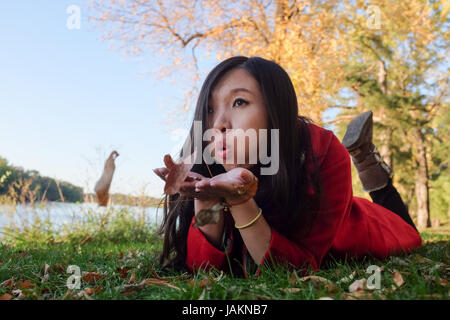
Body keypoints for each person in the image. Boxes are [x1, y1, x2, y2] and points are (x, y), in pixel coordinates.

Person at [154, 56, 422, 278]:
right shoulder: (209, 162)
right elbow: (205, 271)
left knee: (409, 232)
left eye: (239, 102)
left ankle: (367, 163)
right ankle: (367, 161)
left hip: (358, 223)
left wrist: (241, 200)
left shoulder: (323, 151)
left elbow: (296, 269)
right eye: (210, 109)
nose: (219, 124)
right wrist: (208, 200)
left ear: (275, 111)